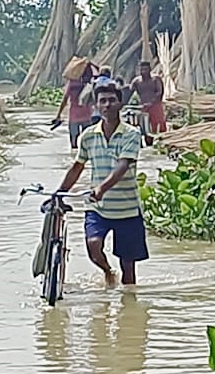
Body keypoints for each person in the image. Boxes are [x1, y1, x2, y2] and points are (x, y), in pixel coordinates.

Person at [56, 79, 148, 287]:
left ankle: (129, 307)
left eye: (111, 101)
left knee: (129, 269)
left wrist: (101, 188)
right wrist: (60, 192)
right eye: (102, 101)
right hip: (98, 207)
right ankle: (107, 271)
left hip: (127, 209)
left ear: (120, 104)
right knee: (93, 245)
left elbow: (123, 166)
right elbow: (77, 167)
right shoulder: (88, 136)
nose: (107, 105)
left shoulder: (132, 134)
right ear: (96, 105)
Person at [51, 57, 98, 149]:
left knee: (73, 142)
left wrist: (58, 114)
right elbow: (101, 72)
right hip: (87, 115)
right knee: (88, 143)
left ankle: (73, 159)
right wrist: (92, 64)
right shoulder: (90, 84)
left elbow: (65, 99)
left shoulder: (72, 83)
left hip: (74, 115)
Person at [130, 60, 167, 136]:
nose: (143, 72)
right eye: (141, 70)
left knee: (158, 124)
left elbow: (159, 92)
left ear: (149, 69)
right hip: (143, 107)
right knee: (145, 126)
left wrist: (152, 102)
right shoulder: (136, 81)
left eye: (145, 69)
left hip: (155, 106)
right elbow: (129, 92)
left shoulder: (155, 79)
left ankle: (162, 140)